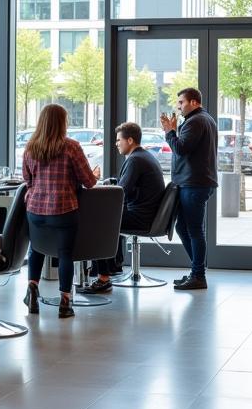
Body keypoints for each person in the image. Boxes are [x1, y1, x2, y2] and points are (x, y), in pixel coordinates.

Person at [21, 104, 97, 319]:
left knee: (36, 249)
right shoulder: (71, 147)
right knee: (65, 255)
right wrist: (94, 175)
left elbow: (28, 180)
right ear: (62, 122)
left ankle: (32, 292)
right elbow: (89, 182)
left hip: (35, 210)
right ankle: (65, 303)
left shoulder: (30, 147)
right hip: (63, 209)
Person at [80, 122, 166, 294]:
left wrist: (98, 189)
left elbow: (121, 192)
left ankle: (104, 278)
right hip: (149, 214)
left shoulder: (135, 160)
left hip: (141, 217)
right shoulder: (144, 157)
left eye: (119, 140)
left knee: (95, 223)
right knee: (105, 217)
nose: (116, 143)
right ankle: (112, 268)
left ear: (130, 140)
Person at [160, 87, 217, 291]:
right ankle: (196, 269)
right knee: (182, 227)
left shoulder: (196, 121)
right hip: (196, 182)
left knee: (193, 229)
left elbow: (180, 149)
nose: (179, 106)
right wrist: (174, 131)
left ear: (193, 102)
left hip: (194, 183)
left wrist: (169, 132)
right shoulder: (204, 119)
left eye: (182, 102)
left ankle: (198, 275)